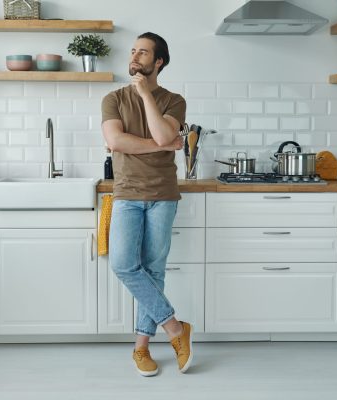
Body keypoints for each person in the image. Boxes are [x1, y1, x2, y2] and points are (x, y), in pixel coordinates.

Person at [101, 32, 192, 377]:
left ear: (159, 63)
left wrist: (144, 94)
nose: (135, 56)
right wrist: (164, 144)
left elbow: (165, 133)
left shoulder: (173, 100)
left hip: (162, 195)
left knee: (153, 271)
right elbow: (115, 140)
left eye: (144, 53)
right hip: (126, 193)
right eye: (134, 50)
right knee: (124, 264)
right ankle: (175, 329)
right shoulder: (113, 99)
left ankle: (141, 348)